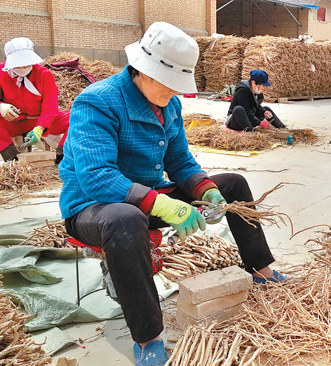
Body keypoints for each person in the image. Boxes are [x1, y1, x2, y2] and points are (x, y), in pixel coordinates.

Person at [59, 22, 287, 366]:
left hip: (146, 198)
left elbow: (180, 160)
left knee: (233, 183)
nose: (173, 93)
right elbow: (97, 178)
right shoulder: (97, 103)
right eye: (168, 85)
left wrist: (206, 190)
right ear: (142, 72)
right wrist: (162, 204)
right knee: (126, 218)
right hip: (94, 208)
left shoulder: (169, 106)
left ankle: (261, 269)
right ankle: (148, 337)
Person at [0, 37, 69, 163]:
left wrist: (40, 128)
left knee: (77, 116)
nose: (22, 68)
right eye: (18, 64)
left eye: (26, 63)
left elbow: (50, 105)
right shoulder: (1, 73)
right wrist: (1, 107)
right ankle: (12, 160)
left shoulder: (44, 75)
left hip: (41, 120)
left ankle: (62, 156)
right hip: (14, 122)